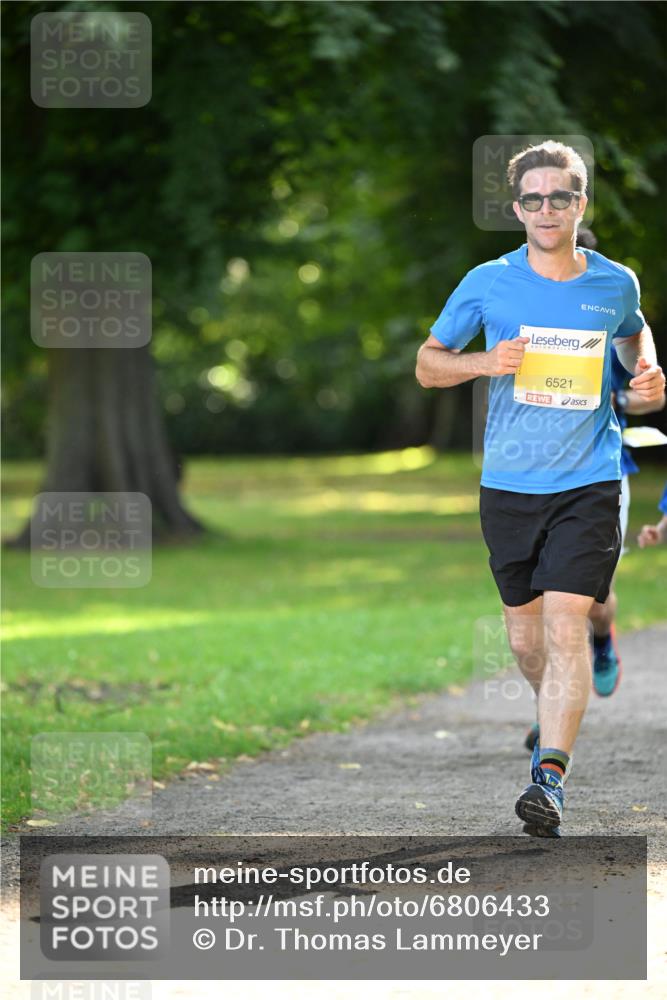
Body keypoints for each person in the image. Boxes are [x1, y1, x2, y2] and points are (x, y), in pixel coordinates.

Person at [415, 140, 665, 837]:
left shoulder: (614, 284)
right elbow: (427, 364)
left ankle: (548, 779)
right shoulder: (486, 282)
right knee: (526, 642)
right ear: (517, 208)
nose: (547, 209)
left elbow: (634, 344)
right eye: (533, 198)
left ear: (580, 203)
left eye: (560, 196)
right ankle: (548, 710)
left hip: (588, 481)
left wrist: (647, 378)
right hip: (508, 485)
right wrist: (483, 362)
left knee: (564, 627)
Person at [522, 229, 665, 755]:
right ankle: (549, 713)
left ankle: (603, 640)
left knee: (589, 602)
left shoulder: (607, 314)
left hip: (600, 473)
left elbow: (646, 397)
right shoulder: (520, 310)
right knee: (536, 606)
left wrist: (635, 392)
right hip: (528, 477)